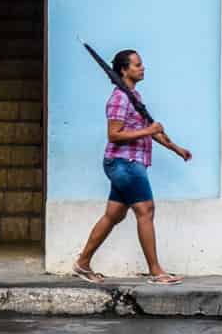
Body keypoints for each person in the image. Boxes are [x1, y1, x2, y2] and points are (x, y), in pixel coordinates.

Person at [72, 49, 192, 285]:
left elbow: (150, 129)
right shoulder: (119, 98)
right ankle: (156, 272)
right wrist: (149, 130)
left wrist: (176, 148)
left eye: (141, 64)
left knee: (114, 215)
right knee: (145, 210)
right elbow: (114, 135)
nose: (142, 68)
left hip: (129, 163)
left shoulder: (134, 97)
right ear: (124, 70)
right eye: (137, 65)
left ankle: (82, 264)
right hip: (124, 163)